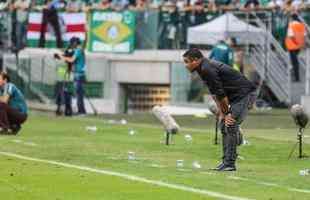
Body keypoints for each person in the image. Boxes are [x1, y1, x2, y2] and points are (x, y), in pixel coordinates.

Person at [182, 48, 256, 171]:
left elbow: (221, 95)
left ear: (196, 60)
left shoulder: (207, 69)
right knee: (223, 125)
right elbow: (215, 94)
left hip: (244, 94)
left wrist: (227, 114)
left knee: (230, 124)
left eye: (186, 62)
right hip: (234, 97)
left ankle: (230, 164)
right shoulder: (202, 68)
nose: (185, 65)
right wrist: (222, 113)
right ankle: (225, 161)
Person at [57, 37, 86, 115]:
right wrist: (65, 55)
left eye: (72, 43)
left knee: (79, 94)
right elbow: (70, 58)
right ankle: (81, 110)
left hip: (79, 75)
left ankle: (81, 111)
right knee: (78, 94)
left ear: (75, 43)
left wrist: (62, 57)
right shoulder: (78, 50)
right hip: (78, 74)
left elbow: (71, 60)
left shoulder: (78, 50)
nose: (71, 45)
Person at [285, 13, 306, 82]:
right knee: (295, 61)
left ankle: (296, 77)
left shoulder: (291, 25)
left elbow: (291, 35)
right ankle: (294, 74)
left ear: (291, 18)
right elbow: (304, 36)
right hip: (299, 46)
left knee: (294, 62)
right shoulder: (301, 25)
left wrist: (295, 42)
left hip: (292, 46)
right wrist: (301, 44)